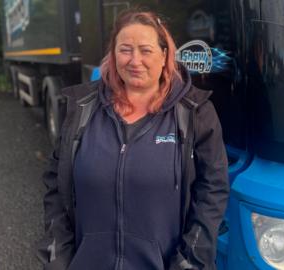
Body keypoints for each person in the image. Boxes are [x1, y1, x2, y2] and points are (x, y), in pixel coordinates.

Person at [36, 10, 229, 270]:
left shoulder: (195, 112)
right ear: (113, 56)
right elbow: (56, 186)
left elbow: (212, 192)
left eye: (145, 50)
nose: (135, 60)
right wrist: (58, 256)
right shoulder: (82, 109)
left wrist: (190, 262)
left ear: (164, 56)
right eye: (125, 50)